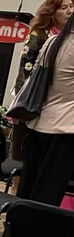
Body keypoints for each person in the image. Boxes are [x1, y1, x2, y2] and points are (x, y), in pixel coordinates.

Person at [10, 0, 74, 172]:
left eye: (71, 6)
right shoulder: (40, 34)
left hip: (56, 111)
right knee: (22, 161)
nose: (70, 11)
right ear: (52, 12)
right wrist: (19, 105)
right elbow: (25, 69)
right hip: (31, 103)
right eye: (64, 7)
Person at [16, 12, 74, 206]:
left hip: (39, 124)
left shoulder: (53, 41)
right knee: (47, 195)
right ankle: (36, 235)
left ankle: (15, 232)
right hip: (65, 130)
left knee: (28, 189)